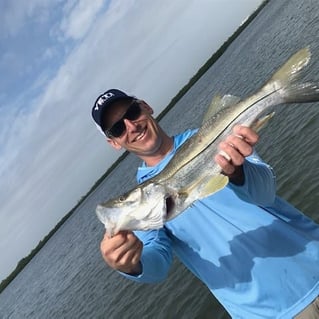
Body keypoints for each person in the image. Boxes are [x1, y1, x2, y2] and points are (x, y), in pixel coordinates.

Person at [91, 89, 319, 319]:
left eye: (132, 112)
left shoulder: (217, 136)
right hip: (268, 314)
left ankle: (278, 90)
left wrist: (239, 173)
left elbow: (266, 192)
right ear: (114, 142)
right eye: (118, 128)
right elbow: (157, 263)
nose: (131, 126)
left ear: (146, 106)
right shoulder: (143, 206)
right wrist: (131, 265)